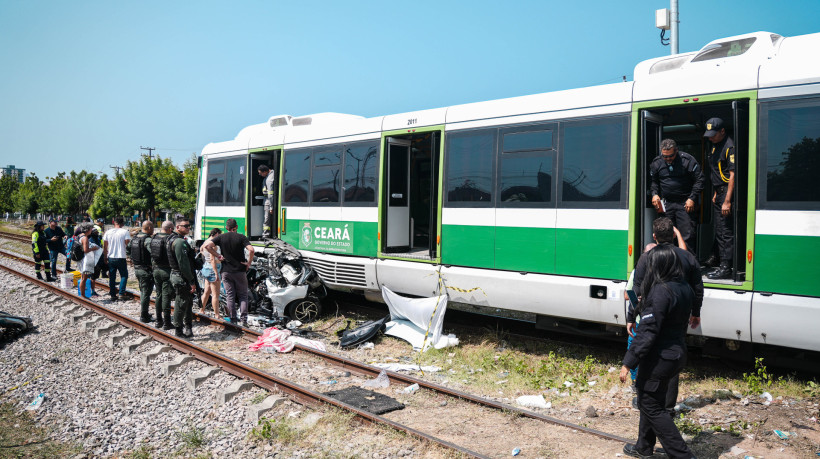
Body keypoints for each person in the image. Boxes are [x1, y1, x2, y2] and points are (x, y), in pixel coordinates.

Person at [620, 245, 698, 459]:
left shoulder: (661, 291)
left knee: (650, 405)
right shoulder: (683, 287)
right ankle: (643, 447)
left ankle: (683, 455)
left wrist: (628, 362)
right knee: (651, 397)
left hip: (660, 356)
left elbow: (647, 332)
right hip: (676, 353)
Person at [649, 139, 704, 254]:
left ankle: (688, 265)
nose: (668, 159)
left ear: (676, 151)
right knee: (665, 235)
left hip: (685, 203)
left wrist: (692, 198)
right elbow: (654, 182)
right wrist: (654, 194)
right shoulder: (657, 163)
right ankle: (669, 263)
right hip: (667, 204)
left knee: (687, 236)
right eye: (665, 156)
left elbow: (700, 180)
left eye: (671, 156)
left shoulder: (687, 161)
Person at [201, 218, 254, 327]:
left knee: (230, 296)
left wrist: (218, 256)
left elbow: (207, 246)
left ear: (226, 228)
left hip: (226, 271)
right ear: (237, 227)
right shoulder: (241, 237)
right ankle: (244, 320)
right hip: (240, 271)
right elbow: (251, 250)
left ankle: (233, 319)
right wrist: (248, 263)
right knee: (243, 295)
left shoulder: (221, 237)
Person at [703, 117, 736, 280]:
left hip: (727, 193)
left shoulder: (730, 146)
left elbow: (732, 175)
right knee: (719, 230)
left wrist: (727, 200)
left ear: (722, 131)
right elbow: (716, 172)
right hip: (719, 192)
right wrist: (716, 192)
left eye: (713, 134)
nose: (710, 137)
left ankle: (726, 267)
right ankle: (721, 263)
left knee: (725, 231)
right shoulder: (715, 145)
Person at [169, 217, 197, 338]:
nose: (188, 228)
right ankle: (178, 330)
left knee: (187, 302)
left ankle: (188, 328)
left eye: (189, 225)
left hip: (179, 275)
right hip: (181, 276)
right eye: (185, 226)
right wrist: (191, 280)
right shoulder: (179, 242)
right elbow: (183, 264)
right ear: (178, 227)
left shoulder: (176, 239)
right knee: (181, 303)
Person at [150, 221, 176, 330]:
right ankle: (166, 322)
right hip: (166, 270)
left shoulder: (154, 238)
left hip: (156, 270)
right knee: (166, 296)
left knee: (159, 294)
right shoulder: (170, 239)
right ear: (170, 229)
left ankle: (158, 321)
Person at [128, 220, 155, 323]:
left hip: (137, 268)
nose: (153, 230)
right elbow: (154, 253)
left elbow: (128, 249)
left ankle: (145, 313)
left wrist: (132, 259)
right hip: (146, 270)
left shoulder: (135, 238)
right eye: (152, 228)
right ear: (148, 228)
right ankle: (144, 316)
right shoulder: (147, 240)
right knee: (145, 293)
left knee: (143, 291)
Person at [102, 216, 131, 301]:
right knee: (124, 275)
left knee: (112, 276)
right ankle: (121, 293)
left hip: (111, 257)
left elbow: (105, 246)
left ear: (114, 222)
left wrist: (105, 257)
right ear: (122, 223)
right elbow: (127, 245)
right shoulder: (125, 232)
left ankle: (112, 294)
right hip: (121, 257)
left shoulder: (108, 232)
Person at [199, 228, 223, 316]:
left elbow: (201, 249)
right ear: (216, 234)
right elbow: (213, 260)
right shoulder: (213, 245)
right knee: (215, 294)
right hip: (213, 268)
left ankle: (201, 310)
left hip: (206, 267)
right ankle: (217, 315)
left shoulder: (206, 241)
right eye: (219, 235)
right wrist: (216, 273)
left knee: (206, 291)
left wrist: (206, 257)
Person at [78, 223, 102, 299]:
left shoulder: (80, 236)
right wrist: (93, 249)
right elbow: (85, 250)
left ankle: (82, 295)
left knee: (83, 278)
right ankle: (83, 295)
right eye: (91, 229)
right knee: (84, 279)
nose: (92, 230)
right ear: (88, 229)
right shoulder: (85, 238)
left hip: (82, 259)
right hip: (85, 260)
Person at [258, 164, 276, 238]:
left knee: (266, 219)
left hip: (268, 202)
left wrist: (271, 207)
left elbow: (270, 194)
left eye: (260, 173)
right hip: (268, 201)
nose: (260, 174)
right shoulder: (271, 175)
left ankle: (266, 235)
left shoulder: (269, 179)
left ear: (265, 171)